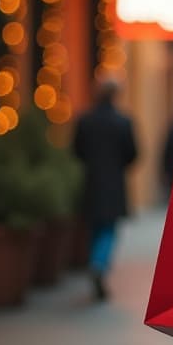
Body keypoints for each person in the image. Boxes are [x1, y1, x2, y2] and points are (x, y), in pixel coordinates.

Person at [72, 77, 138, 301]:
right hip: (114, 182)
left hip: (91, 181)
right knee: (109, 228)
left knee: (94, 227)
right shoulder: (123, 122)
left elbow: (76, 151)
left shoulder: (85, 120)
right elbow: (133, 154)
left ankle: (96, 263)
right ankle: (99, 264)